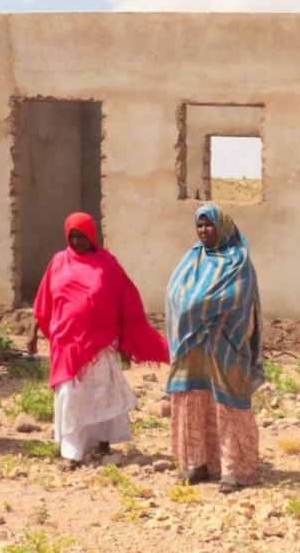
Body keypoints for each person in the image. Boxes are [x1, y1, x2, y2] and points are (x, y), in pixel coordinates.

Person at [31, 212, 169, 467]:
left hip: (100, 342)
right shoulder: (58, 262)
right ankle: (72, 453)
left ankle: (103, 439)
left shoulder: (107, 263)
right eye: (71, 236)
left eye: (81, 236)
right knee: (71, 395)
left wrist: (126, 339)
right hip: (67, 342)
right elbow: (44, 300)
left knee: (102, 391)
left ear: (92, 236)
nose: (76, 241)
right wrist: (33, 335)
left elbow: (125, 299)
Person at [165, 203, 263, 493]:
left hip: (225, 345)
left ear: (223, 227)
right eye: (200, 225)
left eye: (209, 225)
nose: (204, 230)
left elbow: (239, 298)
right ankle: (198, 463)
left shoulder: (238, 261)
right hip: (190, 347)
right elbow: (176, 294)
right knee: (194, 400)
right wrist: (193, 310)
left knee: (228, 404)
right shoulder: (191, 259)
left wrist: (202, 308)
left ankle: (233, 469)